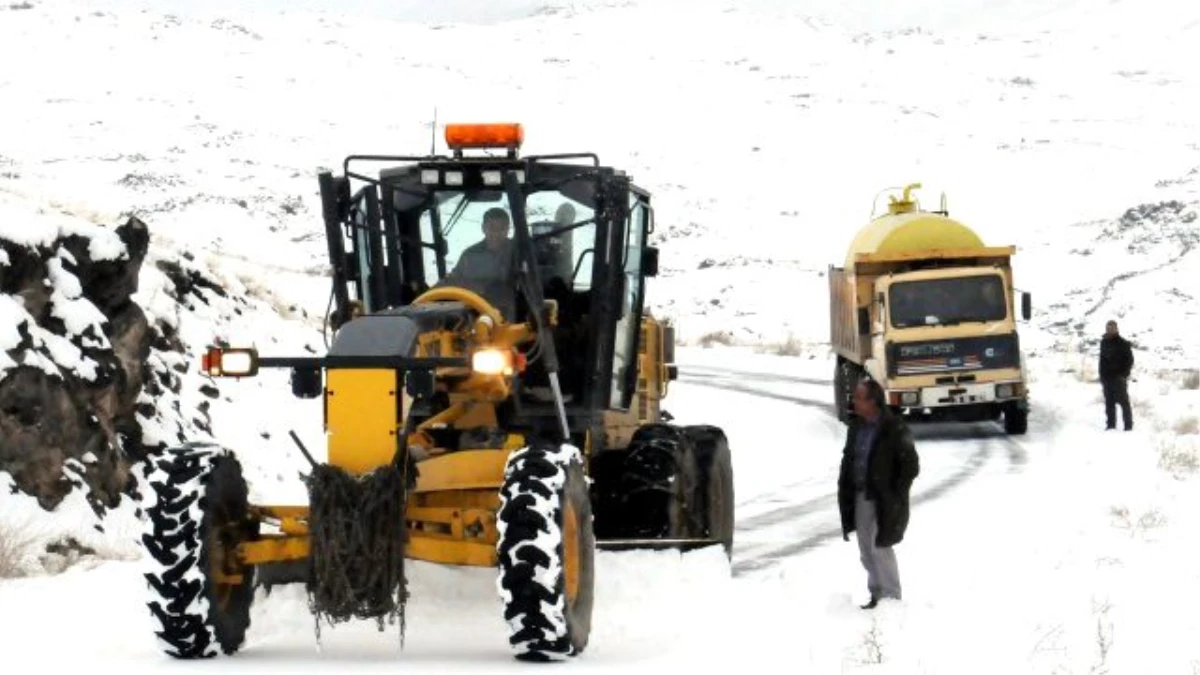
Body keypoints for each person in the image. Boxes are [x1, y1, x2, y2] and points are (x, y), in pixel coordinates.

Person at [837, 377, 920, 609]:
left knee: (881, 546)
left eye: (859, 398)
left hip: (884, 500)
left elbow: (910, 466)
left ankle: (891, 598)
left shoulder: (894, 427)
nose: (854, 402)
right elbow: (850, 459)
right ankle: (876, 594)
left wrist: (895, 493)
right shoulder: (856, 426)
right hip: (861, 496)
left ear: (873, 401)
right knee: (865, 549)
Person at [444, 207, 515, 317]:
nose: (496, 233)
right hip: (477, 314)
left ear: (508, 229)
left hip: (515, 317)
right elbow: (454, 281)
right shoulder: (470, 255)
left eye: (502, 228)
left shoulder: (519, 252)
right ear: (483, 228)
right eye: (491, 227)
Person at [1098, 319, 1134, 431]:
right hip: (1106, 378)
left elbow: (1130, 360)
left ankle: (1128, 427)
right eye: (1108, 328)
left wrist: (1123, 374)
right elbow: (1102, 360)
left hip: (1118, 378)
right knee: (1109, 403)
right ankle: (1110, 425)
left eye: (1112, 328)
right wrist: (1102, 375)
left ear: (1116, 329)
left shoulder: (1123, 343)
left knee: (1124, 403)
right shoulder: (1103, 342)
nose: (1110, 330)